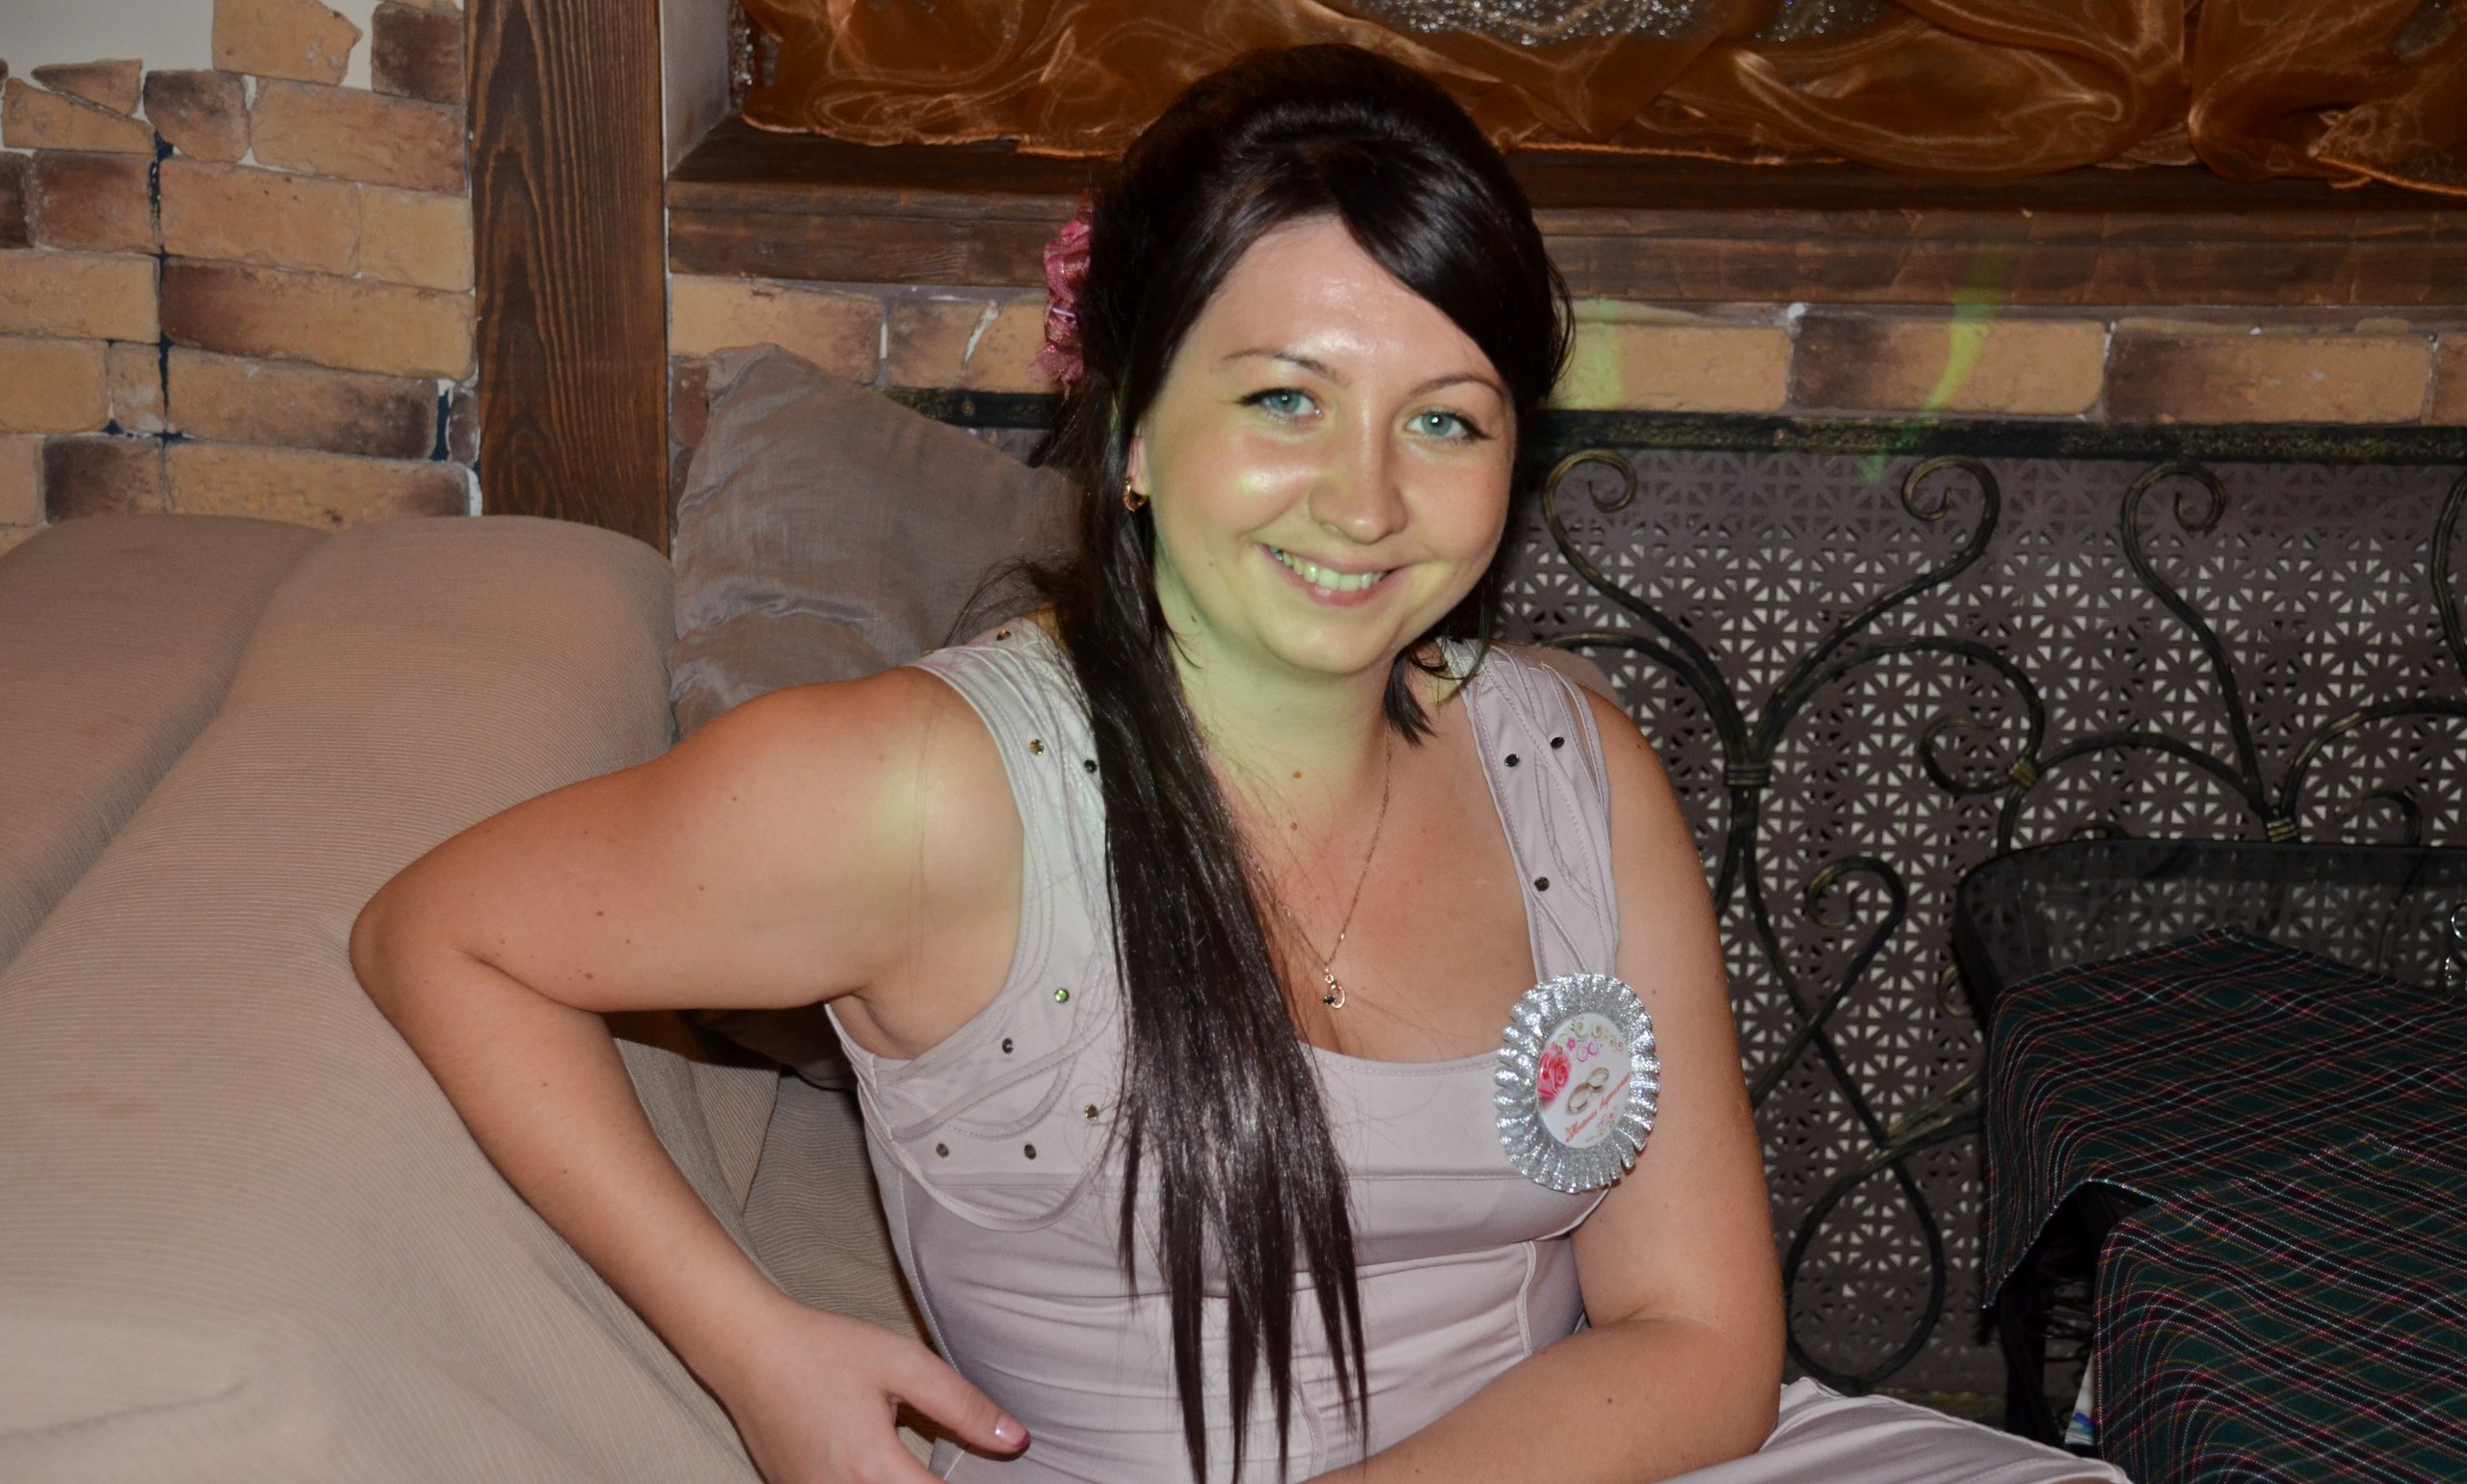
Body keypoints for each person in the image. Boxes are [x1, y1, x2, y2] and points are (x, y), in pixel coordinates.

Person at [354, 43, 2127, 1484]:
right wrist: (755, 1352)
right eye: (1286, 398)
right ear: (1131, 430)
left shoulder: (1577, 773)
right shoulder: (928, 793)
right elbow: (442, 933)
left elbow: (1704, 1342)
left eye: (1445, 420)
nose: (1368, 499)